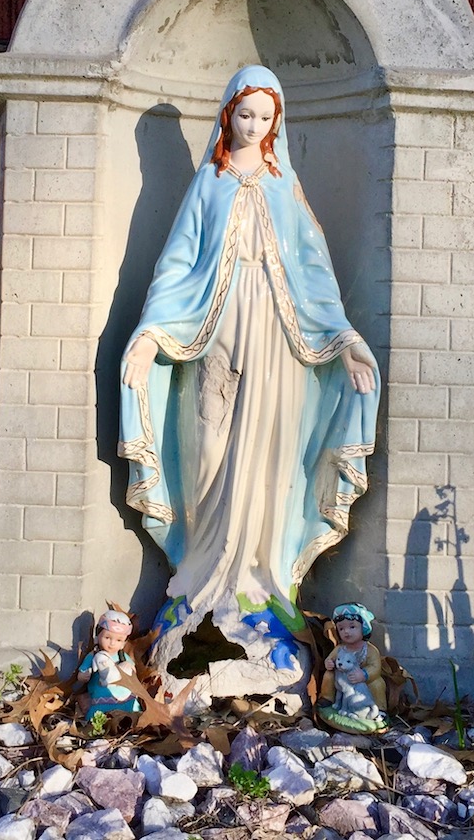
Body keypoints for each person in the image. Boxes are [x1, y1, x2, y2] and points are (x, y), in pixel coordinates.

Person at [119, 65, 380, 663]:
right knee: (210, 446)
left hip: (279, 341)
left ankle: (261, 580)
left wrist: (344, 338)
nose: (255, 126)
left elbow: (313, 270)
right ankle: (201, 572)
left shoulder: (284, 183)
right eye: (246, 115)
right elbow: (179, 261)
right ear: (227, 113)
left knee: (270, 452)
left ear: (276, 123)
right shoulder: (208, 183)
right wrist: (150, 333)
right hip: (215, 329)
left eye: (266, 118)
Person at [320, 602, 386, 714]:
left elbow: (376, 667)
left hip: (363, 684)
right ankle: (327, 698)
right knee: (328, 675)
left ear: (363, 628)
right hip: (342, 679)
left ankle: (380, 708)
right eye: (341, 629)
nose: (346, 631)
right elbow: (330, 658)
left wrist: (364, 674)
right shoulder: (340, 648)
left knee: (377, 683)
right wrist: (329, 663)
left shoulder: (370, 650)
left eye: (352, 627)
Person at [77, 609, 142, 719]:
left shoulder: (123, 657)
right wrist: (84, 675)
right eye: (107, 638)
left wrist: (128, 668)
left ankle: (133, 717)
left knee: (131, 705)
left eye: (118, 640)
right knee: (99, 710)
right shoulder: (94, 656)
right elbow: (81, 674)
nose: (112, 643)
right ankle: (96, 721)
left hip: (123, 692)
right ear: (98, 637)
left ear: (123, 643)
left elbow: (133, 671)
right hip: (101, 692)